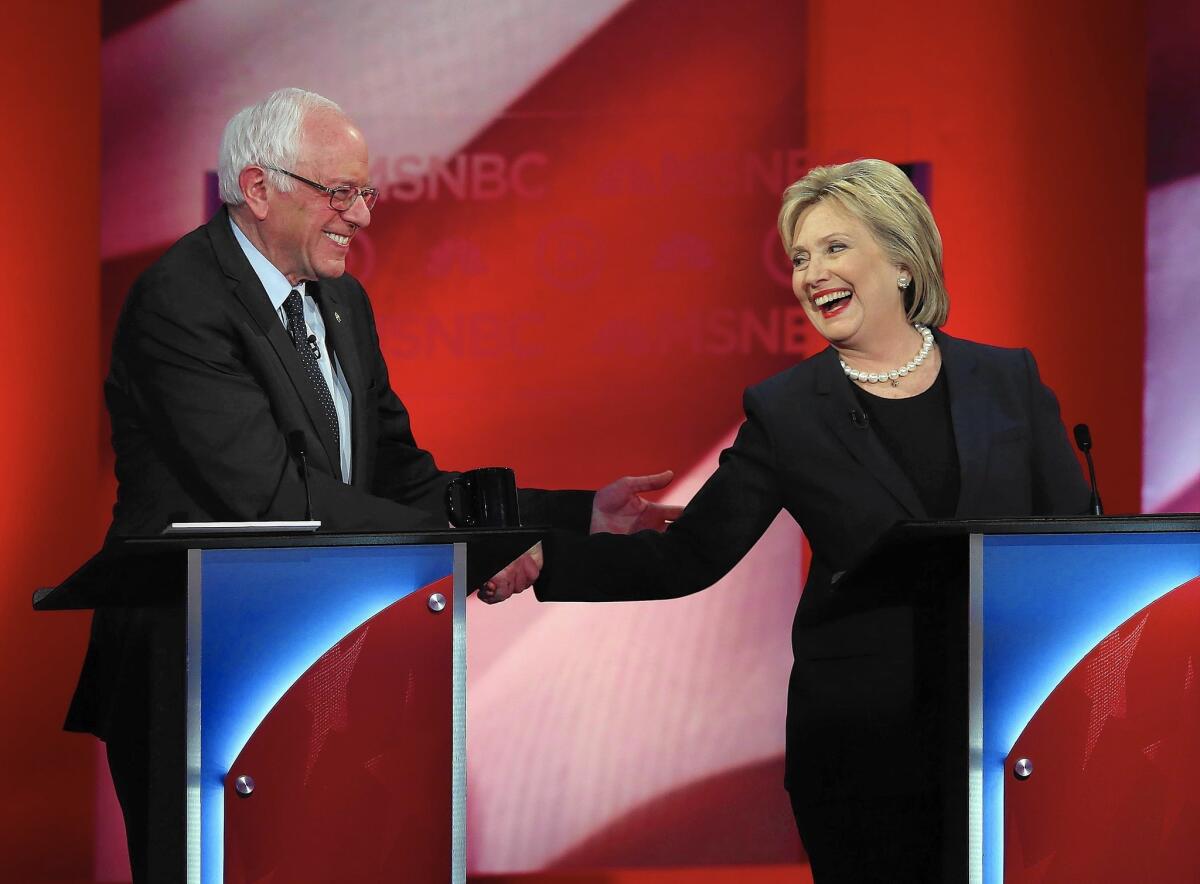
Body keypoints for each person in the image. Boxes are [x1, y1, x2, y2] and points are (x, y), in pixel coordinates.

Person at [63, 87, 679, 882]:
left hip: (323, 659)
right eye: (339, 192)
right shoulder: (180, 300)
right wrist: (473, 554)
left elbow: (401, 478)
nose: (360, 216)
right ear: (259, 188)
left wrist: (567, 514)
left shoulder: (343, 301)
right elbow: (276, 501)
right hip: (199, 668)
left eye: (366, 192)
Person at [489, 159, 1092, 881]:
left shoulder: (1007, 380)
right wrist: (543, 558)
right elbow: (688, 556)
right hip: (863, 748)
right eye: (800, 258)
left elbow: (1076, 540)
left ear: (902, 260)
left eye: (835, 248)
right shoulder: (788, 411)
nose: (812, 275)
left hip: (1011, 729)